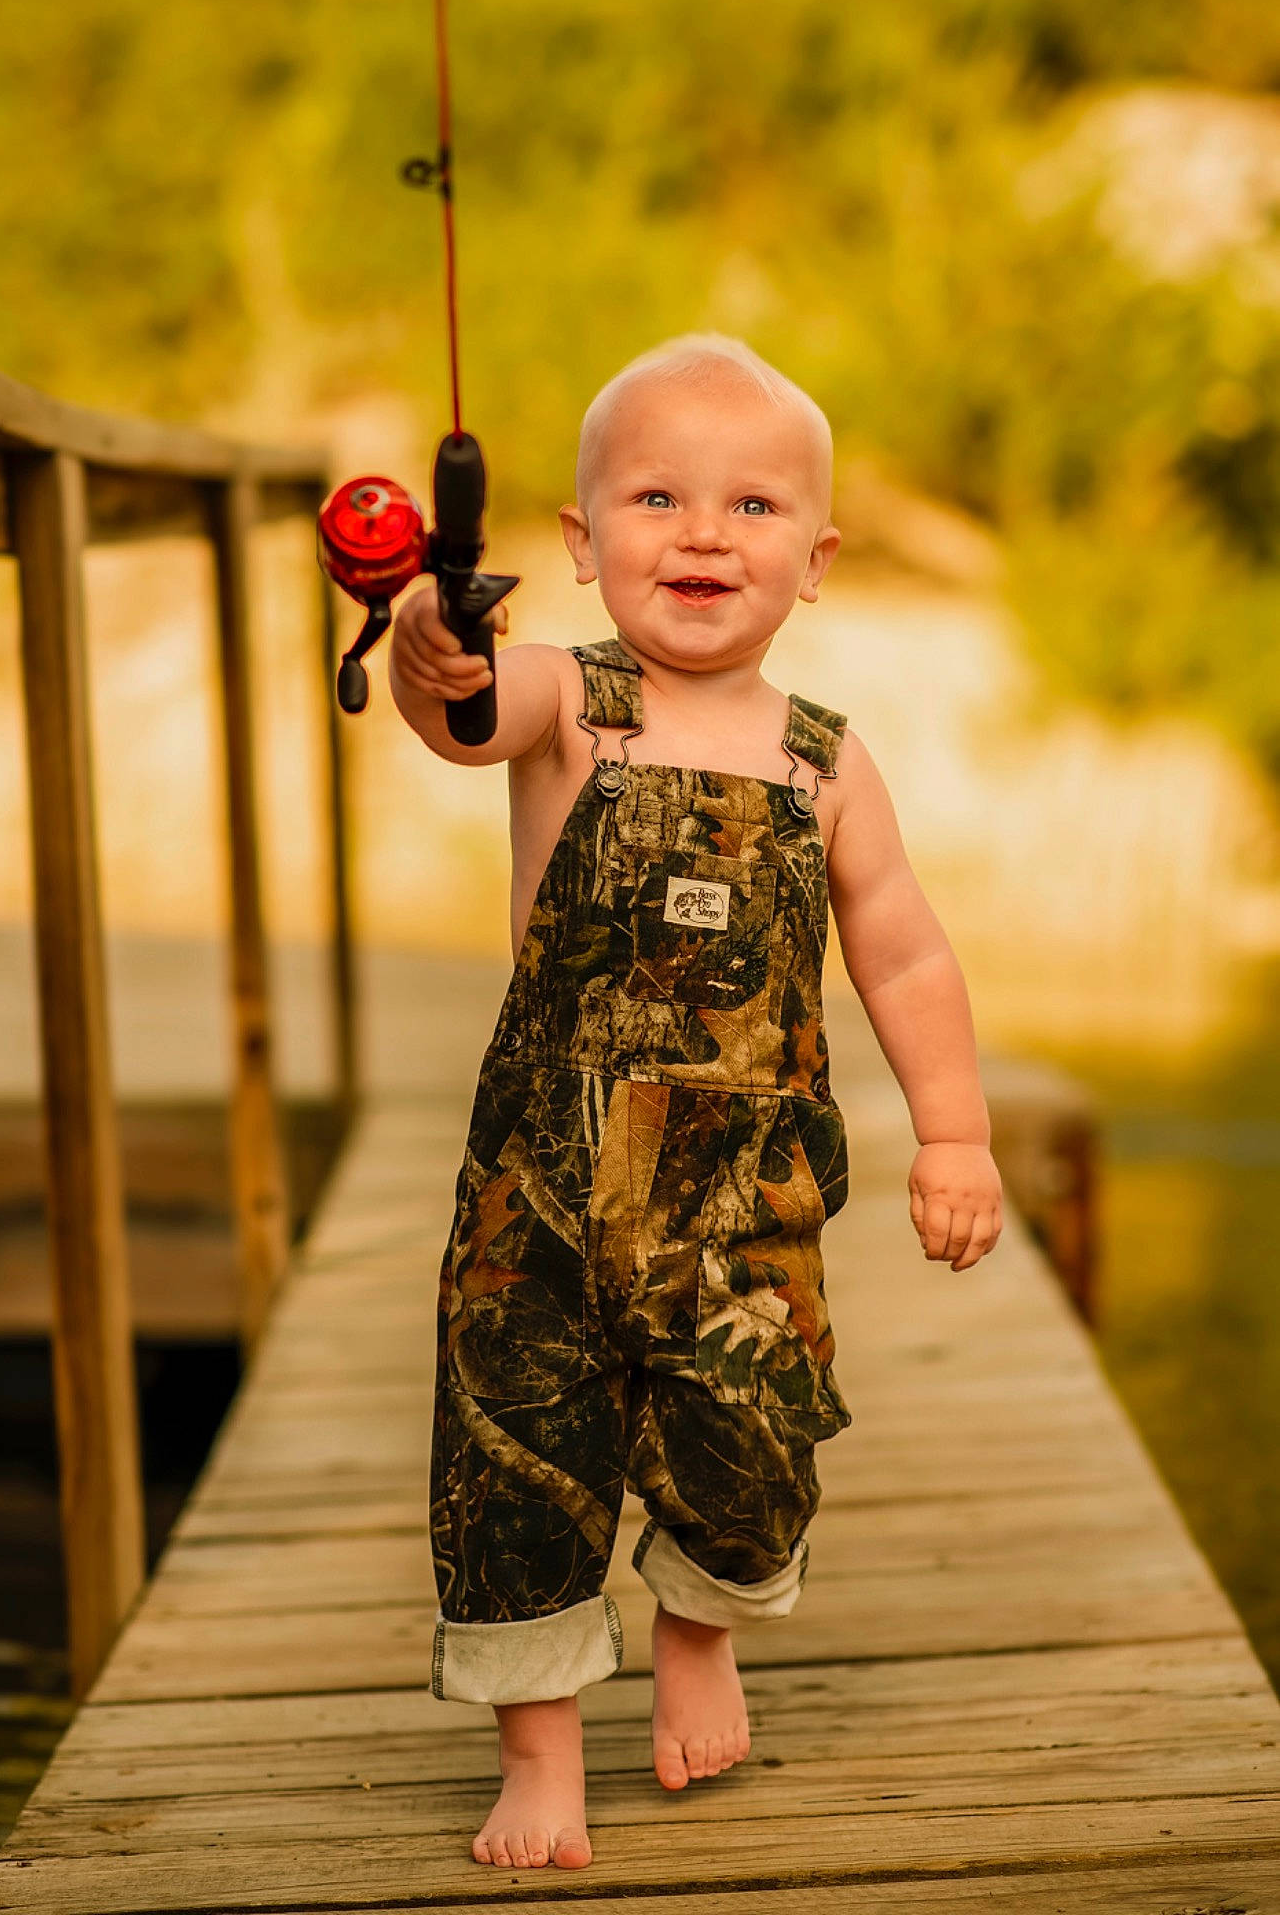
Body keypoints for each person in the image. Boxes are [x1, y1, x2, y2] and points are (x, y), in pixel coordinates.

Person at [388, 332, 1003, 1871]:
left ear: (820, 557)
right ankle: (539, 1754)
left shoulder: (827, 761)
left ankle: (698, 1625)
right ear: (583, 549)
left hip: (747, 1204)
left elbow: (908, 954)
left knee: (752, 1440)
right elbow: (464, 713)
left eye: (753, 505)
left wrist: (956, 1131)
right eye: (657, 498)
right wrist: (431, 649)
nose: (708, 533)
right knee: (519, 1455)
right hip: (542, 1192)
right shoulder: (566, 702)